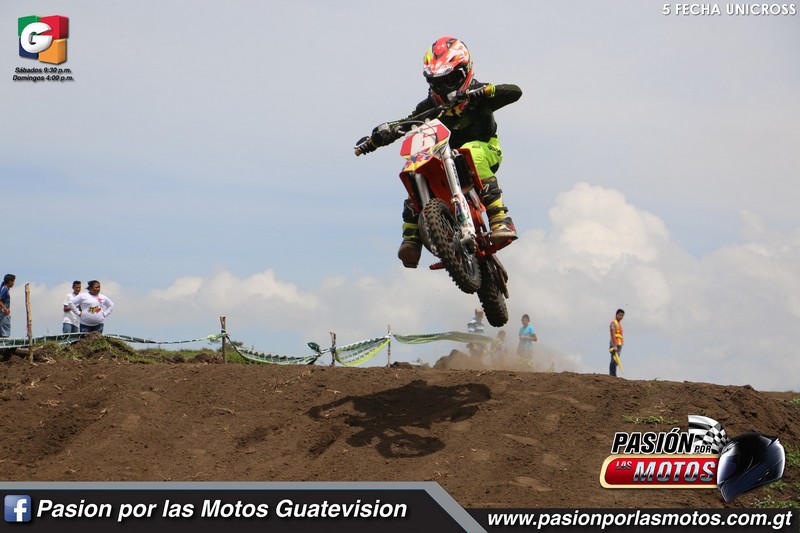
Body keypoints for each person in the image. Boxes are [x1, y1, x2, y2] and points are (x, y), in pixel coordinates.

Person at [361, 36, 522, 268]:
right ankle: (411, 239)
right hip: (443, 155)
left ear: (465, 72)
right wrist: (380, 136)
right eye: (438, 82)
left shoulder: (479, 95)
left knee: (471, 151)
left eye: (451, 79)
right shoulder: (429, 106)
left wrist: (486, 91)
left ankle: (500, 220)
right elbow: (407, 122)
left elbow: (515, 91)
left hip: (486, 149)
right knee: (416, 168)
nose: (445, 87)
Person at [609, 308, 625, 377]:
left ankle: (613, 374)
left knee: (616, 360)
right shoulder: (613, 323)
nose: (621, 317)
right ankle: (612, 374)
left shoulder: (619, 324)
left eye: (622, 316)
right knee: (614, 359)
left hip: (619, 344)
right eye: (620, 315)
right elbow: (613, 334)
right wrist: (614, 345)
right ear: (616, 315)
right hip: (615, 344)